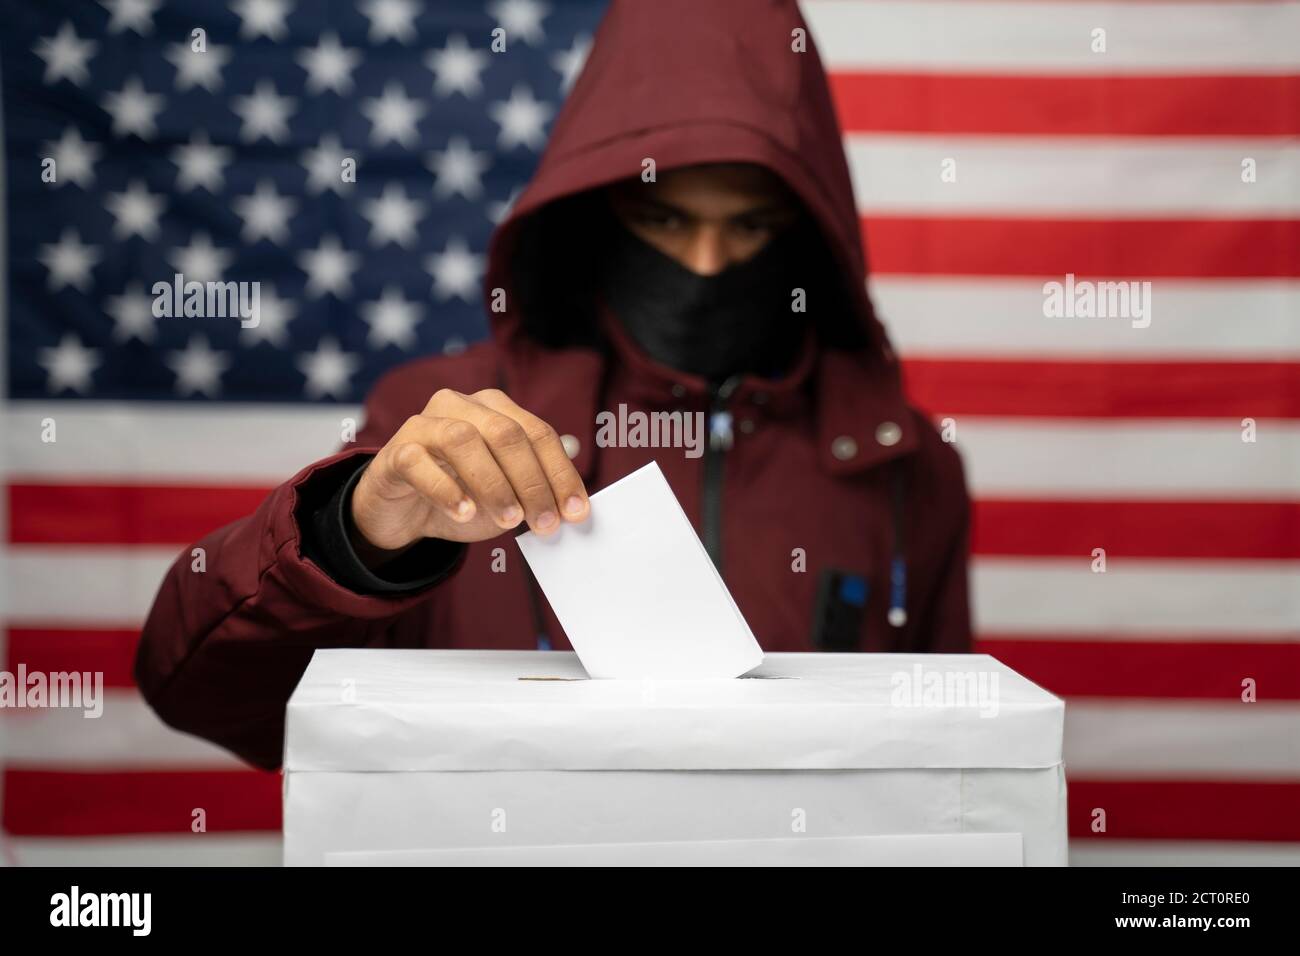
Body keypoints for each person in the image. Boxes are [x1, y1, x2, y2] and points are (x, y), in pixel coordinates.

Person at [136, 0, 972, 771]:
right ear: (597, 213)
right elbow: (208, 698)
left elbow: (950, 757)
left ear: (809, 234)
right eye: (664, 219)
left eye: (752, 224)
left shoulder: (902, 465)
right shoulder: (441, 422)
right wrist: (348, 532)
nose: (707, 265)